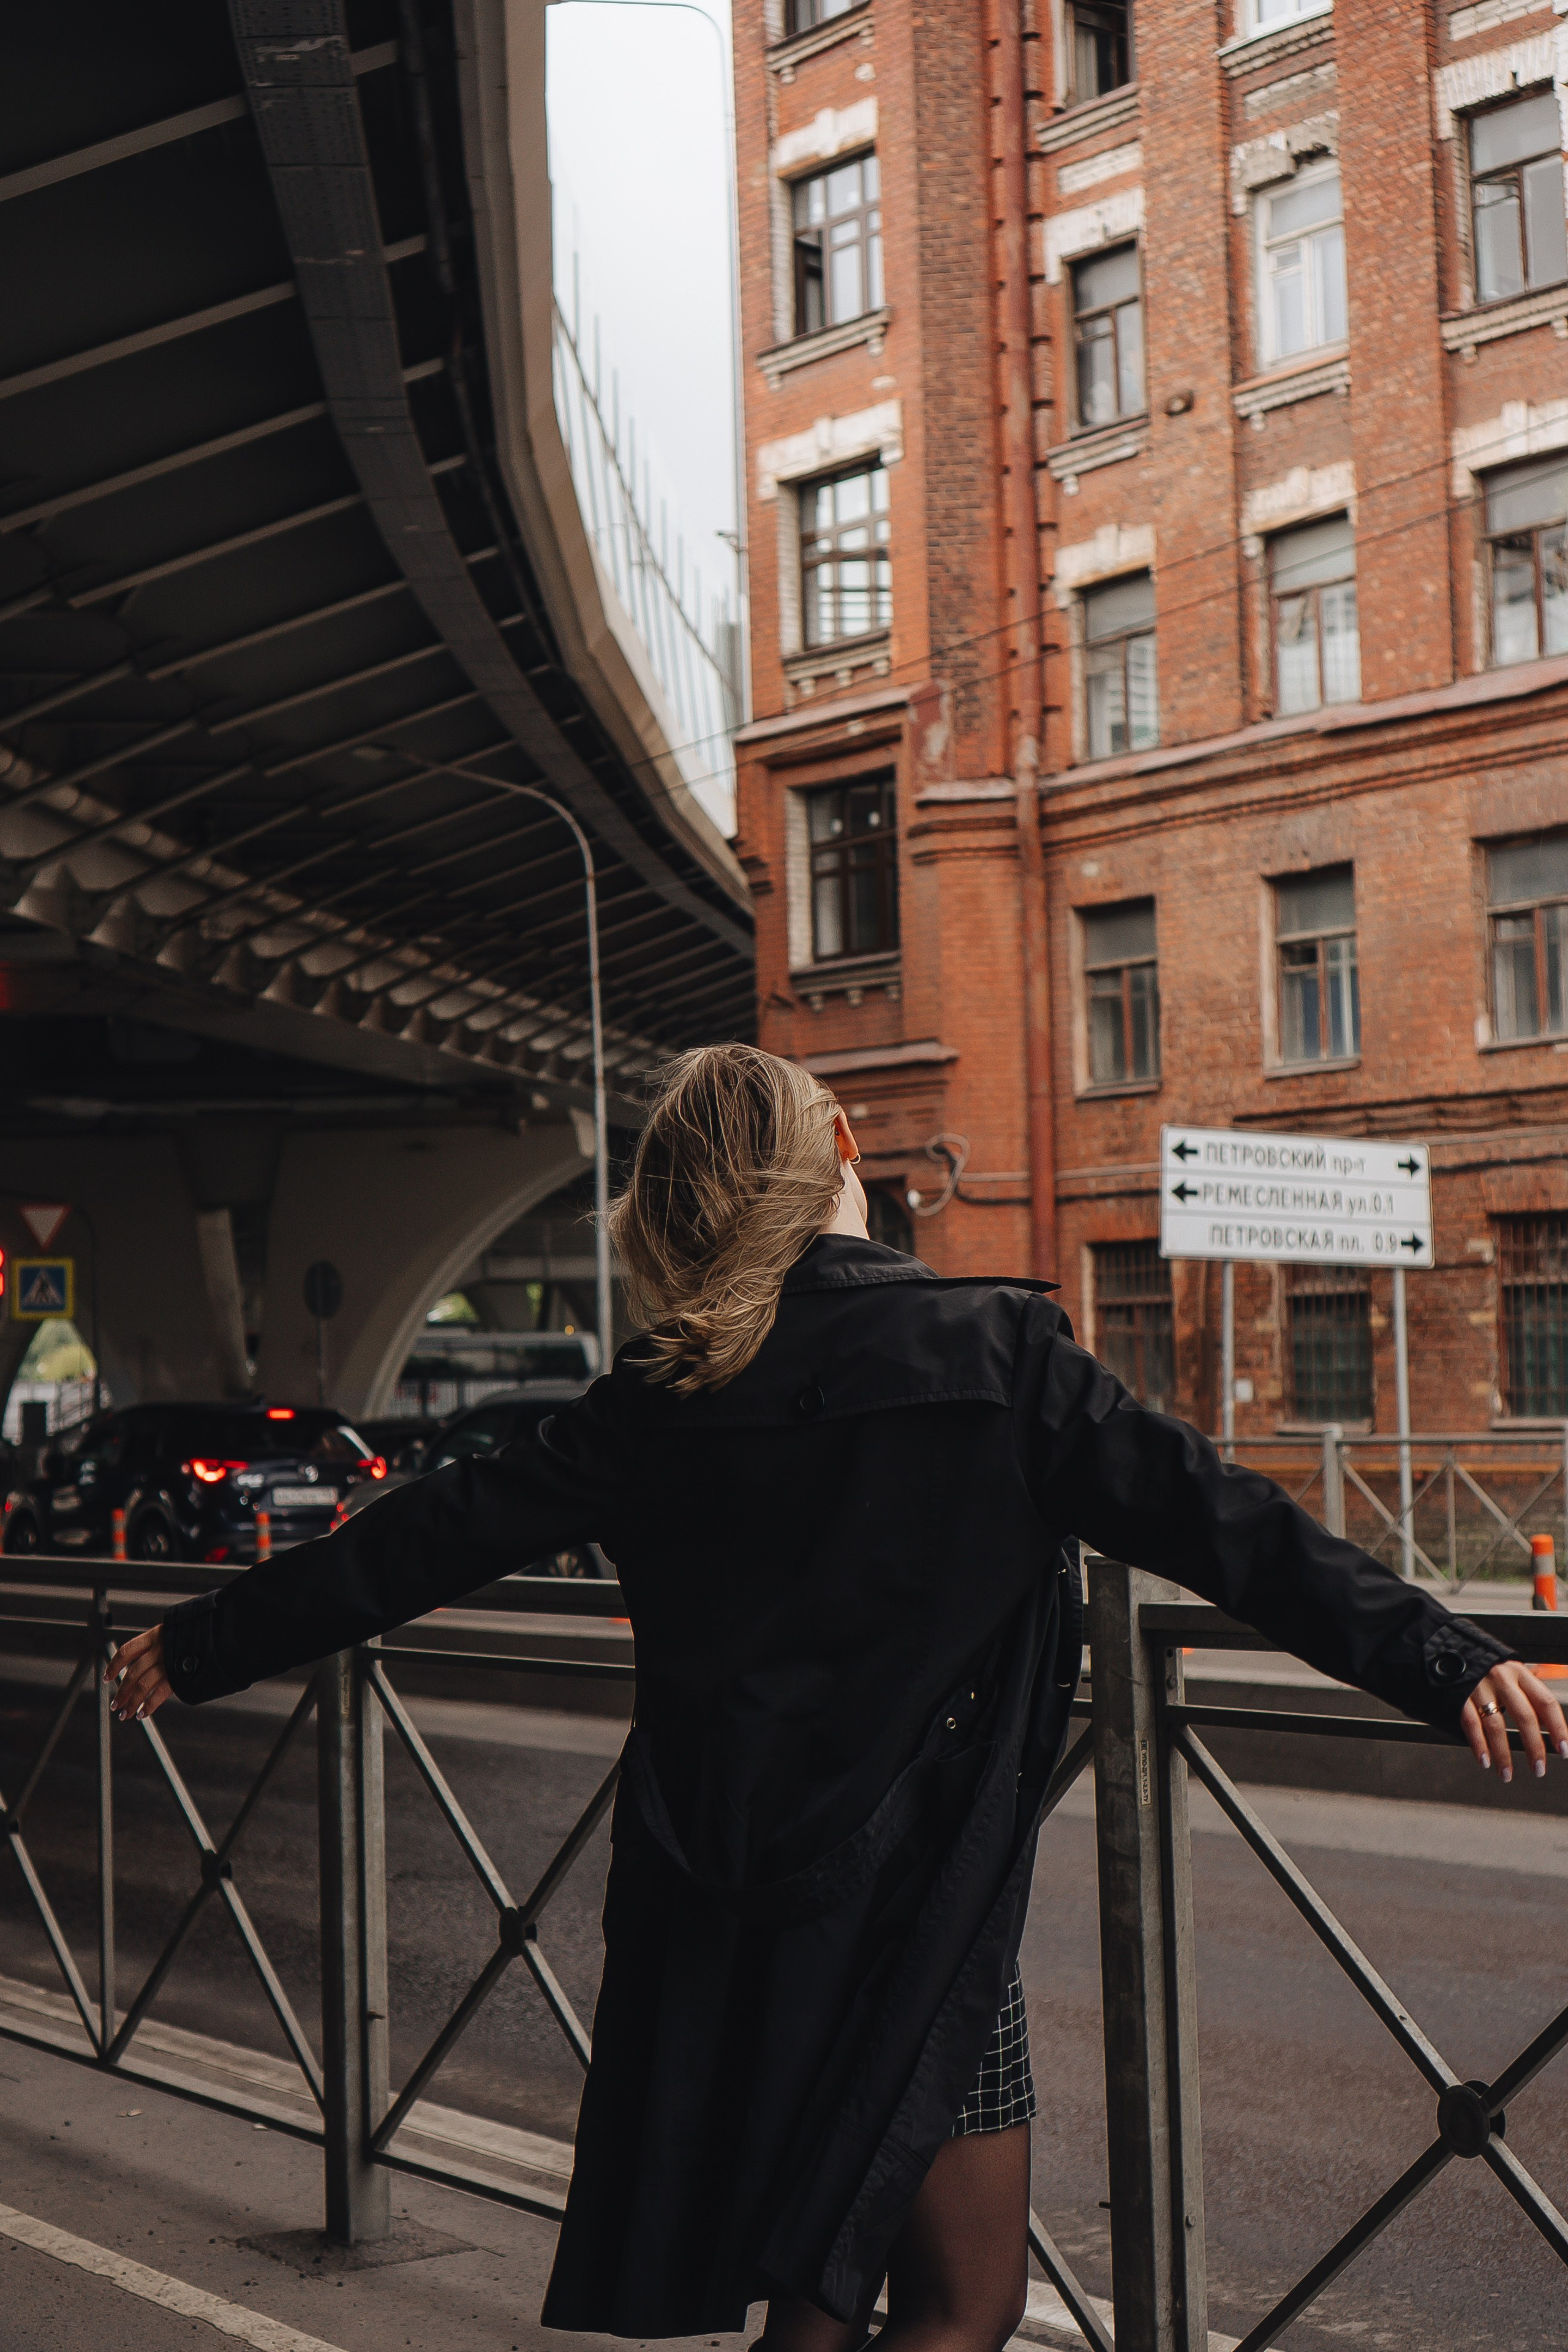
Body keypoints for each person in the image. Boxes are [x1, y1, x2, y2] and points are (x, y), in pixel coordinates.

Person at [107, 1046, 1564, 2352]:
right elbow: (1233, 1530)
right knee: (958, 2299)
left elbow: (422, 1539)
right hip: (919, 1908)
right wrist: (1449, 1662)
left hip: (718, 1892)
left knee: (822, 2278)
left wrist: (211, 1642)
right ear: (845, 1150)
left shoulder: (656, 1394)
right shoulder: (1000, 1360)